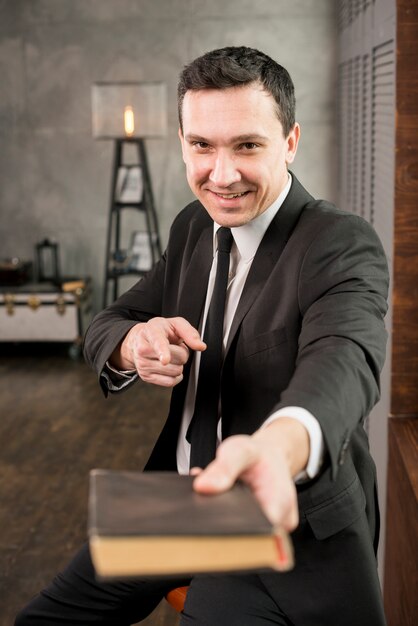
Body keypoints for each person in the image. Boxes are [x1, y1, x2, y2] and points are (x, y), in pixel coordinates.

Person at [16, 46, 389, 626]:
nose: (222, 174)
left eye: (247, 145)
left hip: (278, 519)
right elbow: (107, 322)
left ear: (289, 143)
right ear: (184, 144)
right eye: (202, 146)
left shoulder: (338, 242)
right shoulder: (194, 224)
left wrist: (277, 446)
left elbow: (346, 360)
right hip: (179, 503)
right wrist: (134, 341)